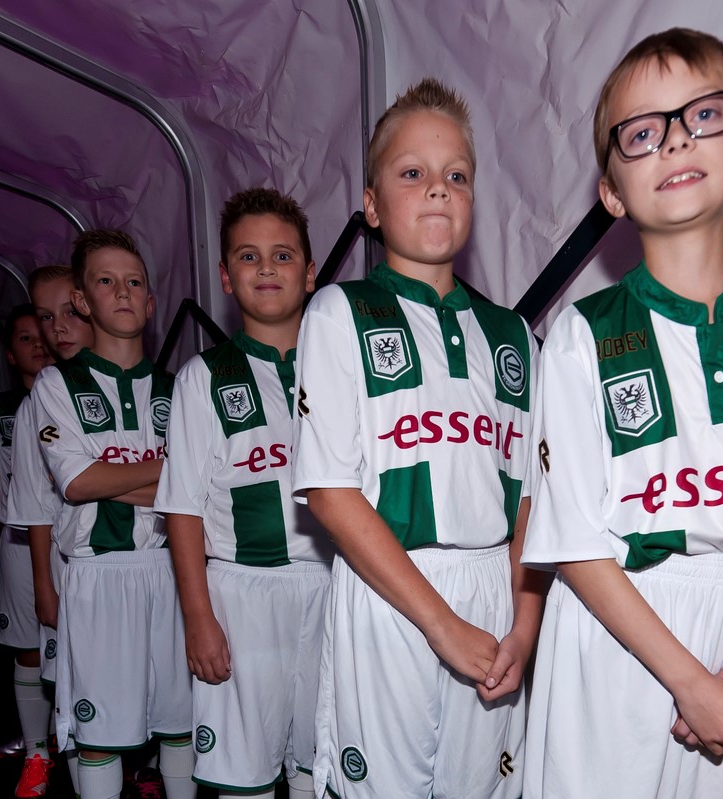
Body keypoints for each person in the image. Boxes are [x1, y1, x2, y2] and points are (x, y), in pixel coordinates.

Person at [521, 28, 723, 798]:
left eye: (702, 115)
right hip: (616, 629)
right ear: (612, 193)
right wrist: (689, 681)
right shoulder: (581, 334)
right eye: (642, 133)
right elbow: (573, 540)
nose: (675, 140)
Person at [292, 78, 546, 798]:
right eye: (412, 173)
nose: (438, 188)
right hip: (390, 592)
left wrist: (524, 627)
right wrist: (440, 624)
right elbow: (330, 493)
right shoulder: (339, 312)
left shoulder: (512, 335)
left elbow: (530, 499)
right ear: (372, 205)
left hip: (493, 592)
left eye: (456, 176)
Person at [155, 187, 332, 799]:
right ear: (226, 277)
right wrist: (198, 617)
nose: (266, 268)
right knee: (243, 773)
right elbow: (181, 508)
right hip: (240, 593)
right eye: (248, 256)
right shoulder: (202, 377)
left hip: (332, 587)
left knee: (320, 760)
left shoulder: (342, 369)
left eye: (283, 255)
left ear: (309, 273)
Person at [28, 232, 193, 799]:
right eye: (106, 280)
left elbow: (201, 492)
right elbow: (77, 483)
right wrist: (167, 472)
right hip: (97, 575)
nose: (122, 292)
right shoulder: (56, 384)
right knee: (99, 735)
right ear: (82, 300)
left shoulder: (182, 387)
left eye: (134, 282)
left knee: (180, 723)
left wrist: (111, 477)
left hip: (173, 572)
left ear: (151, 301)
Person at [2, 265, 97, 796]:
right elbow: (37, 504)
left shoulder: (142, 384)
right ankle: (45, 756)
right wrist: (44, 585)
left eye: (69, 311)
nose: (57, 327)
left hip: (134, 566)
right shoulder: (40, 398)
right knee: (77, 697)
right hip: (68, 563)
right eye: (46, 316)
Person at [0, 304, 53, 797]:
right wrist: (9, 520)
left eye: (44, 332)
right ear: (10, 353)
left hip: (83, 540)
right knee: (29, 646)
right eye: (25, 337)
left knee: (90, 645)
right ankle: (38, 752)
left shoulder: (80, 394)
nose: (38, 343)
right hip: (22, 544)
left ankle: (91, 744)